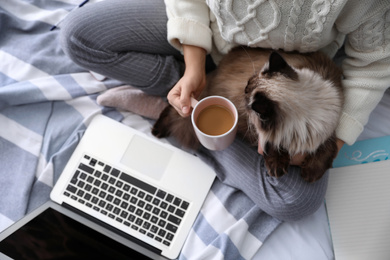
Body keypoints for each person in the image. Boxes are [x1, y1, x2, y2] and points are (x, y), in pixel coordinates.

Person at [60, 0, 390, 221]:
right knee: (78, 36)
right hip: (216, 34)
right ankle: (186, 98)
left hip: (293, 84)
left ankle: (192, 116)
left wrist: (327, 145)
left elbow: (374, 64)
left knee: (296, 201)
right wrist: (193, 65)